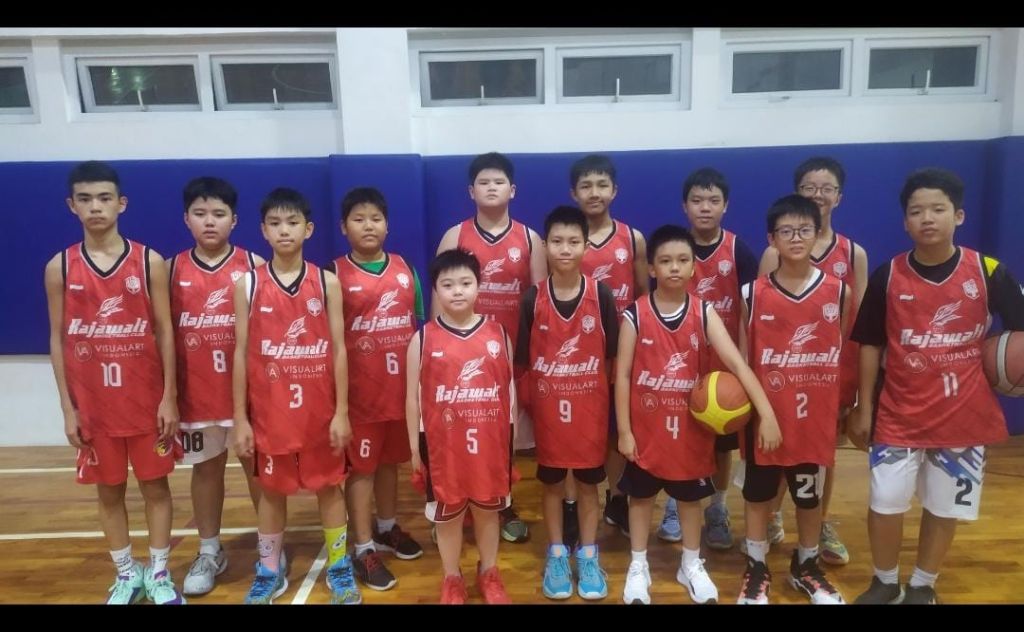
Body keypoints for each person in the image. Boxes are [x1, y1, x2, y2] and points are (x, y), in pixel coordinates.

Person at [849, 168, 1024, 604]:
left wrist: (1009, 369)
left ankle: (923, 585)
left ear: (958, 215)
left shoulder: (988, 272)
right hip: (898, 412)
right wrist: (863, 407)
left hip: (964, 413)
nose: (927, 218)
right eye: (916, 211)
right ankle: (885, 581)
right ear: (905, 222)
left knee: (944, 507)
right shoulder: (888, 275)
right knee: (885, 501)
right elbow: (869, 344)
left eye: (938, 209)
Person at [44, 160, 185, 604]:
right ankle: (126, 573)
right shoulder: (60, 267)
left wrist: (169, 397)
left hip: (145, 402)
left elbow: (165, 332)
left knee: (155, 488)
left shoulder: (149, 261)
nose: (95, 207)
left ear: (121, 203)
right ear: (71, 205)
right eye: (85, 199)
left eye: (104, 198)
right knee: (109, 492)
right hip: (95, 406)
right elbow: (57, 338)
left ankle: (158, 573)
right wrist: (68, 408)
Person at [617, 224, 777, 605]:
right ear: (651, 268)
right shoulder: (635, 314)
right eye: (665, 261)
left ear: (693, 267)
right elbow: (621, 374)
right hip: (647, 429)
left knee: (690, 500)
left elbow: (737, 364)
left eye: (682, 260)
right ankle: (638, 565)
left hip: (690, 430)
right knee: (640, 499)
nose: (674, 267)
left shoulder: (704, 312)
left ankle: (690, 563)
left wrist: (766, 413)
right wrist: (624, 430)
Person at [232, 187, 360, 605]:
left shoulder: (326, 282)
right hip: (270, 414)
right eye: (275, 223)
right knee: (271, 492)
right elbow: (240, 352)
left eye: (292, 222)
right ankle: (269, 569)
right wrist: (241, 418)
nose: (283, 230)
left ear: (309, 229)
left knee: (329, 489)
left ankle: (339, 566)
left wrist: (342, 412)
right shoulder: (248, 284)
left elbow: (339, 349)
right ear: (263, 231)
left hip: (320, 413)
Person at [737, 194, 847, 605]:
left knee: (808, 496)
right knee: (757, 495)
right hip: (765, 417)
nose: (796, 238)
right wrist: (761, 413)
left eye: (804, 230)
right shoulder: (752, 293)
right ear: (772, 239)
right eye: (786, 231)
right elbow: (744, 361)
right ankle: (756, 566)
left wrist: (846, 407)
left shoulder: (838, 292)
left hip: (813, 418)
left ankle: (806, 565)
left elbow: (842, 354)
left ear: (818, 234)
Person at [756, 157, 867, 564]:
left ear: (839, 196)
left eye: (827, 188)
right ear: (797, 192)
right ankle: (771, 515)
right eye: (809, 187)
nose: (818, 194)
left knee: (824, 450)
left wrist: (855, 385)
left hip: (828, 370)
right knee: (779, 445)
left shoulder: (853, 253)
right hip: (782, 369)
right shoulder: (775, 251)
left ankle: (819, 522)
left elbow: (858, 323)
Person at [434, 151, 546, 543]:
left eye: (499, 182)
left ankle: (500, 501)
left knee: (504, 436)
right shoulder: (455, 236)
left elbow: (538, 303)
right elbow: (440, 304)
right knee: (461, 430)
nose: (492, 188)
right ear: (471, 191)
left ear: (512, 190)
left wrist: (532, 357)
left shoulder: (530, 239)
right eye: (484, 182)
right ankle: (457, 501)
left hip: (510, 358)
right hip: (463, 358)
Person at [169, 176, 265, 596]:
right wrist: (168, 395)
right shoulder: (170, 270)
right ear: (186, 219)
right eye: (200, 213)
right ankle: (209, 550)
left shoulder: (255, 266)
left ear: (234, 220)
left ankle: (269, 549)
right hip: (198, 394)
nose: (210, 221)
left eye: (219, 214)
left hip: (249, 396)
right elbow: (162, 336)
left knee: (256, 469)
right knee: (206, 471)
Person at [405, 248, 515, 604]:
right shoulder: (423, 338)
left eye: (465, 283)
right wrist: (413, 449)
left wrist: (510, 447)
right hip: (442, 447)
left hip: (489, 442)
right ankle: (451, 577)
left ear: (478, 286)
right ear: (435, 289)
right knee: (447, 516)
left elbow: (509, 396)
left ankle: (489, 572)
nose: (457, 291)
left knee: (487, 511)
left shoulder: (498, 334)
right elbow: (411, 399)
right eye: (448, 284)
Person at [660, 167, 759, 549]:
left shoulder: (738, 251)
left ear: (725, 206)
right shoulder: (674, 250)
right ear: (684, 206)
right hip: (680, 364)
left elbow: (750, 309)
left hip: (723, 370)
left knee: (721, 444)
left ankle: (717, 507)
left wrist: (745, 360)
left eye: (713, 201)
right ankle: (675, 503)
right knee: (680, 439)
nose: (705, 207)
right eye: (697, 200)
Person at [331, 187, 424, 592]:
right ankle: (363, 546)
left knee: (390, 464)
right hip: (360, 398)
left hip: (399, 393)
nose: (368, 225)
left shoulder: (406, 269)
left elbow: (421, 330)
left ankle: (387, 528)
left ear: (387, 225)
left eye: (375, 218)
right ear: (343, 227)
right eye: (358, 219)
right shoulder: (334, 275)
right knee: (363, 470)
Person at [569, 154, 648, 544]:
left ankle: (617, 497)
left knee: (618, 428)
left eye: (602, 185)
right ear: (574, 193)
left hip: (623, 350)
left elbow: (644, 295)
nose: (594, 192)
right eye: (586, 185)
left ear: (614, 190)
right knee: (580, 430)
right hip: (578, 354)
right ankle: (574, 503)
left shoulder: (633, 239)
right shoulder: (567, 240)